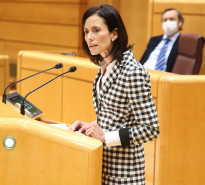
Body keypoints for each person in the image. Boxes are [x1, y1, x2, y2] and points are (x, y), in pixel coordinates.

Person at [68, 4, 160, 184]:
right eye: (86, 31)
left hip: (123, 174)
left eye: (96, 30)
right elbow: (116, 117)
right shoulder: (105, 67)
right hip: (101, 166)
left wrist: (105, 137)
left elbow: (151, 129)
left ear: (114, 34)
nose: (89, 37)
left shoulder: (132, 72)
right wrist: (89, 126)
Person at [140, 8, 184, 72]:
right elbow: (142, 61)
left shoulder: (183, 43)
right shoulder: (154, 40)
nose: (168, 22)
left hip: (162, 78)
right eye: (165, 20)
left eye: (171, 19)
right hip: (142, 74)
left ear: (180, 22)